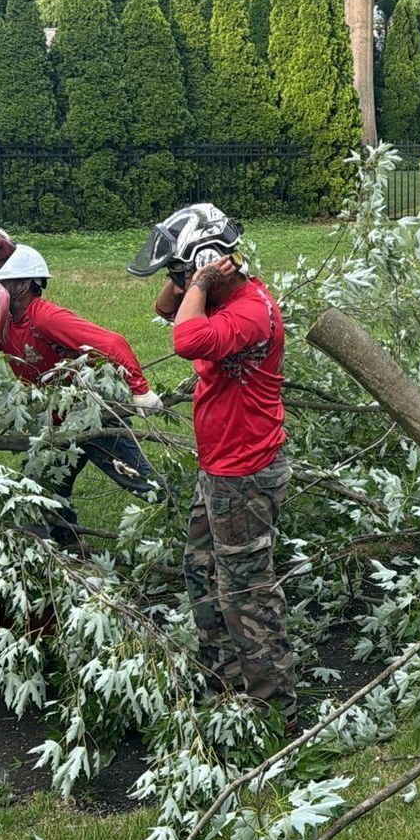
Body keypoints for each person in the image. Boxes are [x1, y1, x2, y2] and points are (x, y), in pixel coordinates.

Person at [130, 203, 295, 712]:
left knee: (246, 592)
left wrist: (198, 278)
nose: (178, 284)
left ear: (206, 263)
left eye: (182, 272)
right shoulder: (215, 300)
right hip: (220, 469)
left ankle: (274, 710)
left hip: (246, 474)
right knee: (200, 570)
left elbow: (184, 339)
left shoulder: (248, 312)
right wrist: (189, 281)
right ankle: (222, 684)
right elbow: (165, 311)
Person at [0, 244, 163, 544]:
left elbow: (113, 343)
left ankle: (191, 517)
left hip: (90, 420)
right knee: (44, 494)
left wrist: (141, 391)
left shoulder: (46, 319)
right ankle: (68, 547)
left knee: (143, 483)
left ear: (23, 285)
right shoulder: (6, 323)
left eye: (0, 282)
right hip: (56, 428)